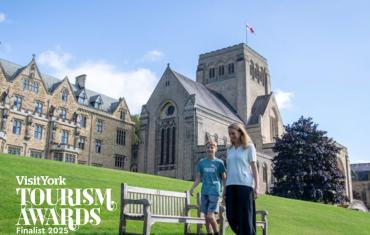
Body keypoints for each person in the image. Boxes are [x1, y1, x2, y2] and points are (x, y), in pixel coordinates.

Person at [223, 123, 259, 235]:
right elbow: (228, 170)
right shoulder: (230, 149)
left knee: (245, 218)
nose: (231, 136)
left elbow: (254, 168)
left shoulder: (249, 147)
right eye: (229, 134)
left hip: (245, 185)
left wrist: (257, 186)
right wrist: (225, 189)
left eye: (233, 133)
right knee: (230, 216)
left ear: (240, 132)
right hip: (230, 185)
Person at [189, 139, 226, 235]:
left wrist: (225, 193)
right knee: (206, 216)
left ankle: (217, 233)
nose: (210, 149)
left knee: (210, 215)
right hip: (204, 192)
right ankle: (210, 233)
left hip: (215, 191)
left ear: (216, 149)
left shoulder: (219, 163)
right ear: (206, 149)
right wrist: (192, 188)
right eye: (208, 147)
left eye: (212, 147)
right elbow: (198, 178)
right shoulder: (201, 162)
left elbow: (224, 179)